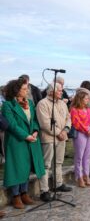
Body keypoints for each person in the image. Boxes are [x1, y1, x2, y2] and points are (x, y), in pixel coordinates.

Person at [1, 77, 45, 209]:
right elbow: (11, 125)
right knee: (16, 167)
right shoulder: (8, 105)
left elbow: (35, 120)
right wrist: (26, 136)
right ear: (17, 91)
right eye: (25, 89)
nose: (27, 91)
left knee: (26, 166)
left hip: (31, 139)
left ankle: (24, 193)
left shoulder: (30, 103)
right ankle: (16, 196)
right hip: (16, 141)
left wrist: (36, 131)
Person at [36, 83, 73, 202]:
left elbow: (68, 117)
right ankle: (44, 190)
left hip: (62, 136)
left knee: (58, 162)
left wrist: (66, 130)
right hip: (48, 138)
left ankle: (58, 184)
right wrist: (58, 133)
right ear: (51, 91)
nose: (62, 92)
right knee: (46, 164)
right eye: (60, 91)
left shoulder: (62, 103)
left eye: (62, 90)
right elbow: (45, 123)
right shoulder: (42, 103)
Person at [70, 89, 90, 187]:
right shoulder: (74, 110)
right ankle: (79, 177)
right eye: (86, 98)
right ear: (80, 99)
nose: (88, 100)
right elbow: (76, 123)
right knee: (79, 156)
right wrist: (87, 130)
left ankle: (86, 175)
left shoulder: (89, 110)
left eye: (88, 98)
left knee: (87, 156)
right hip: (81, 134)